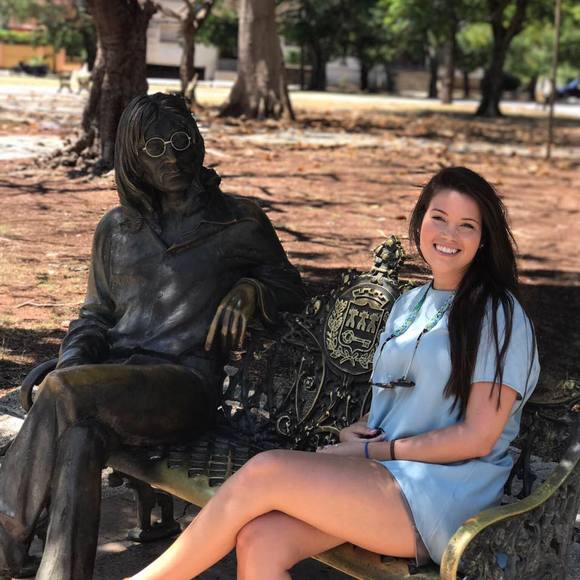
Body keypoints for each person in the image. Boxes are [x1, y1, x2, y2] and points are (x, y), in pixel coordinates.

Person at [129, 166, 540, 580]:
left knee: (264, 471)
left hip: (445, 496)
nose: (449, 234)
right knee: (261, 539)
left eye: (467, 225)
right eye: (439, 218)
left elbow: (478, 436)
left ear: (484, 238)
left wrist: (373, 453)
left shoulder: (498, 313)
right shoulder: (410, 304)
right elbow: (404, 399)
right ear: (420, 223)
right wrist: (358, 432)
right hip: (386, 476)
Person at [0, 93, 305, 580]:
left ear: (197, 141)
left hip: (185, 386)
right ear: (133, 158)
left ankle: (5, 537)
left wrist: (254, 289)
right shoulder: (116, 230)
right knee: (79, 439)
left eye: (181, 140)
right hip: (112, 384)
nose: (173, 157)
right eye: (155, 148)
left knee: (62, 393)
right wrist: (74, 367)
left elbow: (292, 288)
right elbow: (94, 317)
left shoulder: (239, 221)